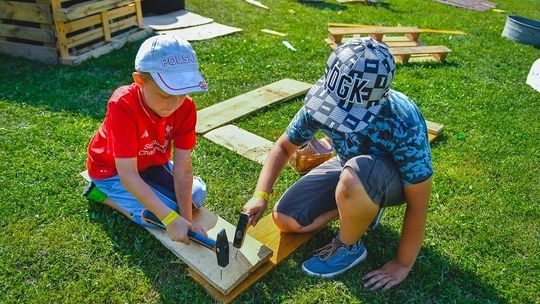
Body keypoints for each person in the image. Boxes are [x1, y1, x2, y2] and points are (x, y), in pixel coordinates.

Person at [243, 37, 433, 290]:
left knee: (356, 175)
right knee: (286, 220)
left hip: (386, 180)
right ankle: (363, 207)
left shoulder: (403, 120)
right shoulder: (323, 102)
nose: (337, 115)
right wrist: (260, 194)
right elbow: (284, 147)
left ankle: (349, 246)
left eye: (349, 112)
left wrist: (402, 263)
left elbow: (419, 203)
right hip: (349, 169)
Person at [86, 34, 209, 244]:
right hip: (111, 171)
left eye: (182, 92)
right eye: (165, 94)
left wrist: (186, 222)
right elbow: (128, 174)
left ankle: (163, 207)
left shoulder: (186, 107)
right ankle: (101, 194)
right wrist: (170, 219)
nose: (175, 103)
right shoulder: (122, 104)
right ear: (139, 80)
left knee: (197, 195)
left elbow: (183, 169)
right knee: (164, 213)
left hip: (150, 164)